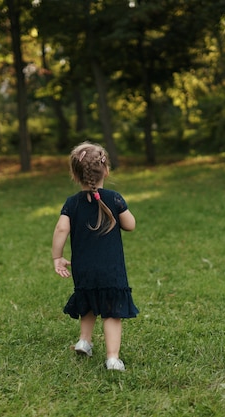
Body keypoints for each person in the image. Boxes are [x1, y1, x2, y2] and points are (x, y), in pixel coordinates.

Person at [52, 141, 138, 371]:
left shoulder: (72, 204)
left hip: (84, 268)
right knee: (112, 311)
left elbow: (61, 229)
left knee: (87, 302)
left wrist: (57, 257)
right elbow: (130, 225)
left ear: (75, 174)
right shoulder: (114, 198)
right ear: (106, 170)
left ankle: (84, 340)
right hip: (110, 269)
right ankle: (112, 358)